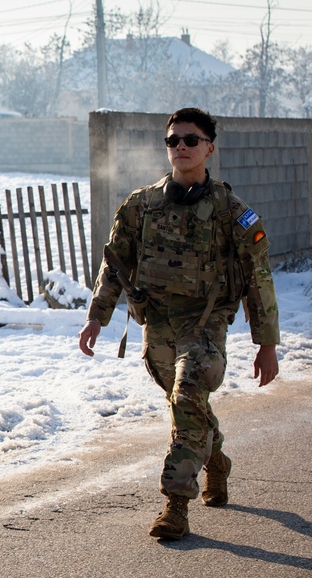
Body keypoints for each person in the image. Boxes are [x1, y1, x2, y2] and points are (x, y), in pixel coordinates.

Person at [78, 107, 279, 541]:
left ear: (209, 147)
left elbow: (258, 278)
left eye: (191, 140)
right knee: (183, 402)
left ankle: (175, 504)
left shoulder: (233, 212)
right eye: (173, 141)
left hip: (206, 322)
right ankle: (216, 459)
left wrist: (267, 344)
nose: (181, 148)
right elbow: (115, 264)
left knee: (188, 394)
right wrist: (97, 316)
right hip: (158, 321)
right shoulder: (141, 205)